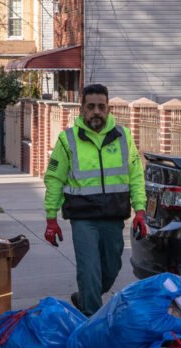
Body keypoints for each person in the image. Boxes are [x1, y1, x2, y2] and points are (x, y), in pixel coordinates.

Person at [43, 84, 147, 316]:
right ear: (82, 109)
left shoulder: (123, 137)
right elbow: (54, 179)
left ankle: (83, 298)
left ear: (109, 109)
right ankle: (92, 323)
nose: (96, 112)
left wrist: (140, 210)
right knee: (89, 269)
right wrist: (51, 217)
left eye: (101, 107)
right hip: (83, 218)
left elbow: (136, 175)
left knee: (110, 270)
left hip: (113, 215)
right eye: (91, 107)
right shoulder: (67, 140)